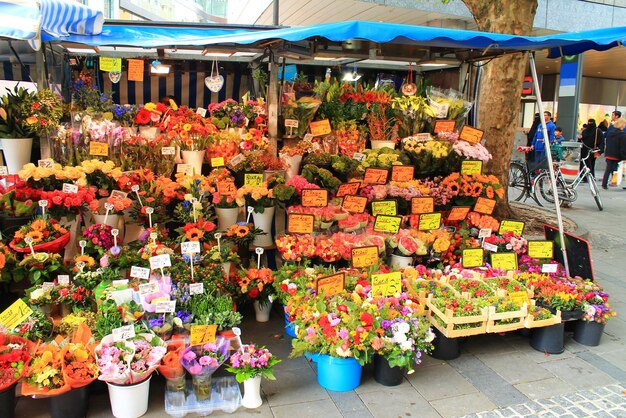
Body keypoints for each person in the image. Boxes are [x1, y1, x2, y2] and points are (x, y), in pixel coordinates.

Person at [601, 118, 626, 189]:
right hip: (617, 155)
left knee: (608, 169)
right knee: (619, 169)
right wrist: (624, 157)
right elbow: (622, 147)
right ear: (622, 124)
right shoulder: (623, 135)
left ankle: (604, 184)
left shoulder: (610, 133)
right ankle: (615, 182)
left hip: (609, 154)